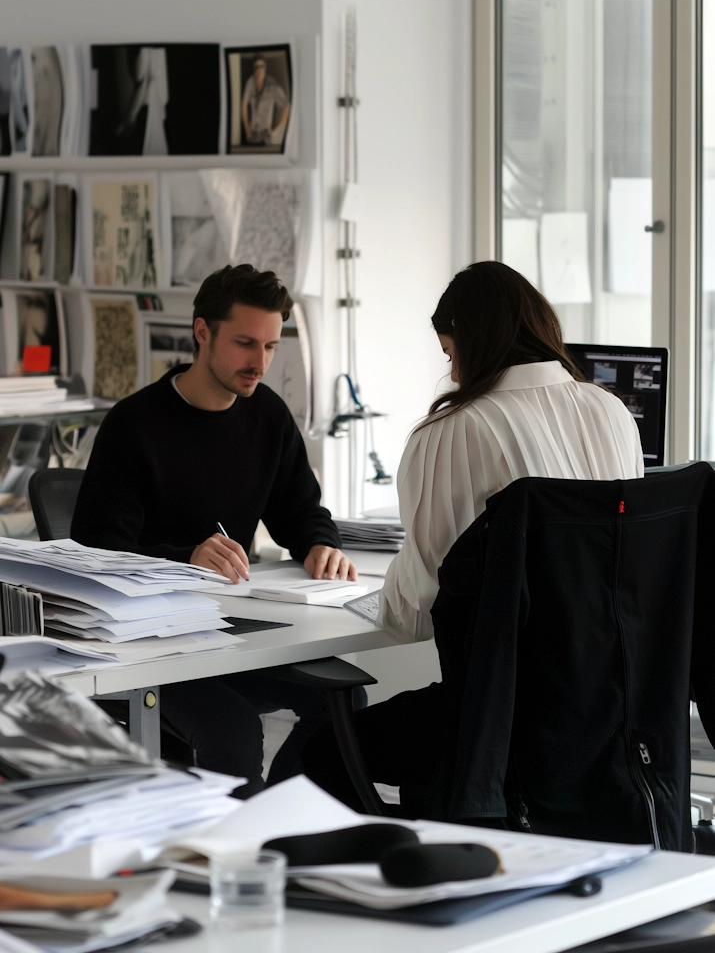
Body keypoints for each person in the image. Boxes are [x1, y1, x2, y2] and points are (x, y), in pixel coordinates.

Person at [301, 260, 644, 811]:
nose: (455, 374)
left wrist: (372, 599)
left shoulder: (454, 432)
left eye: (450, 353)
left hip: (496, 721)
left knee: (312, 758)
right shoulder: (613, 412)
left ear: (472, 342)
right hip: (611, 718)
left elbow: (413, 613)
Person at [72, 264, 357, 795]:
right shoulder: (135, 426)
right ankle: (227, 865)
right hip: (147, 645)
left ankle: (272, 819)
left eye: (271, 346)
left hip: (228, 631)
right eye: (246, 343)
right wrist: (185, 559)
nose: (260, 363)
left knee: (343, 702)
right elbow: (97, 551)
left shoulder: (267, 416)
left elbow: (302, 510)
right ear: (202, 332)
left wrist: (322, 544)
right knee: (234, 729)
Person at [241, 56, 290, 146]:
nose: (259, 69)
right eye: (256, 67)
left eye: (261, 66)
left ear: (265, 68)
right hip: (252, 134)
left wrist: (276, 129)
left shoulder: (273, 85)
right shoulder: (250, 82)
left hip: (266, 135)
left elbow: (286, 106)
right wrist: (247, 127)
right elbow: (244, 103)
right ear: (254, 69)